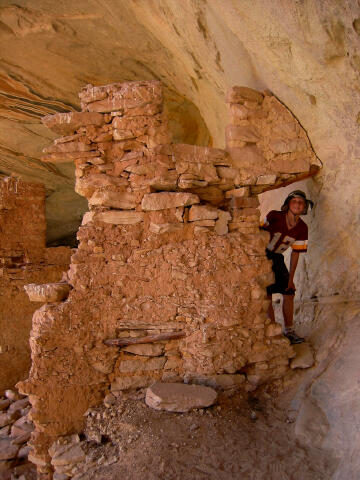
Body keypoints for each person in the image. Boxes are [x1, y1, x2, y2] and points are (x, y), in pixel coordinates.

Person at [260, 190, 313, 344]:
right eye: (294, 201)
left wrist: (291, 279)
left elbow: (296, 254)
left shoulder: (302, 228)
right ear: (288, 204)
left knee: (289, 292)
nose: (297, 204)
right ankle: (273, 330)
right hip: (262, 254)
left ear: (304, 208)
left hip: (277, 257)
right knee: (267, 292)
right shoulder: (274, 216)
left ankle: (289, 331)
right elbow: (257, 233)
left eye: (301, 202)